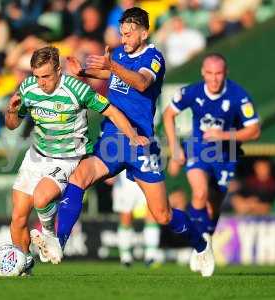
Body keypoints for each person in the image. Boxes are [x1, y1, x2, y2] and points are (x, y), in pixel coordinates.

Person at [34, 7, 215, 277]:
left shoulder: (154, 57)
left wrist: (112, 66)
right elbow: (112, 76)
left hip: (140, 141)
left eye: (129, 33)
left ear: (144, 32)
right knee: (79, 176)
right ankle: (58, 242)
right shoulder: (118, 54)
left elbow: (141, 82)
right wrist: (83, 74)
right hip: (113, 138)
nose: (125, 37)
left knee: (162, 215)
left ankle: (201, 245)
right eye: (122, 33)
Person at [5, 46, 148, 272]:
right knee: (18, 217)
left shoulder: (77, 90)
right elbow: (12, 126)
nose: (41, 82)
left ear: (59, 71)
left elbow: (111, 111)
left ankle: (51, 237)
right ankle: (23, 268)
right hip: (36, 155)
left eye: (46, 76)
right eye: (37, 76)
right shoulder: (28, 88)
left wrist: (132, 135)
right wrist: (12, 112)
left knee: (42, 199)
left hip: (67, 158)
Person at [163, 53, 261, 274]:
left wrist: (223, 135)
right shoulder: (192, 92)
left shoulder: (238, 95)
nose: (214, 79)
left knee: (213, 208)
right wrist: (175, 148)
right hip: (199, 150)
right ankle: (200, 248)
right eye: (210, 73)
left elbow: (254, 131)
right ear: (202, 73)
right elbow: (168, 115)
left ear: (225, 73)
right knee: (199, 193)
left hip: (226, 156)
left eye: (218, 74)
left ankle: (205, 238)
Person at [107, 170, 161, 267]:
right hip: (124, 179)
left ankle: (151, 256)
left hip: (146, 173)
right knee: (125, 217)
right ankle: (125, 258)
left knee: (151, 213)